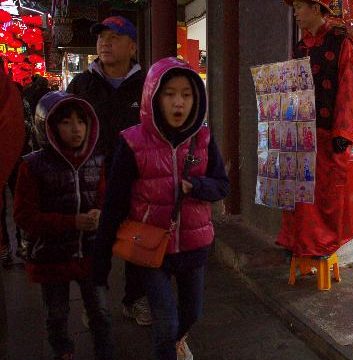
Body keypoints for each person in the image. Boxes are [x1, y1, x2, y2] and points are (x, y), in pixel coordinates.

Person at [93, 57, 229, 360]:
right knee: (165, 325)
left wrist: (197, 187)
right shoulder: (132, 143)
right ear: (153, 96)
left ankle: (179, 341)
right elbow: (114, 204)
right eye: (169, 94)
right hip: (152, 250)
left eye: (186, 94)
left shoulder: (204, 139)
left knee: (192, 314)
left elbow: (222, 185)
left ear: (197, 98)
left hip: (195, 247)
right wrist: (100, 263)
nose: (178, 103)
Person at [13, 92, 113, 360]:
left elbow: (105, 198)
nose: (76, 128)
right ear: (50, 126)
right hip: (51, 256)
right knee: (57, 315)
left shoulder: (97, 159)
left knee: (101, 313)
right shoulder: (32, 166)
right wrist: (72, 222)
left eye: (81, 121)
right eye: (66, 122)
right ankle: (63, 352)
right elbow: (24, 216)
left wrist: (101, 214)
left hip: (91, 253)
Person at [66, 15, 151, 326]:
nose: (105, 42)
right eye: (102, 37)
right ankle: (95, 305)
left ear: (132, 46)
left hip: (136, 177)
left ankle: (135, 300)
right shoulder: (82, 84)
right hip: (92, 178)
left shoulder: (147, 85)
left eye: (114, 36)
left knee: (138, 242)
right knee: (94, 245)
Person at [278, 0, 353, 258]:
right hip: (301, 135)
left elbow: (348, 89)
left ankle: (321, 246)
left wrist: (343, 133)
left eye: (299, 7)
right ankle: (297, 242)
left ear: (316, 8)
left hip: (327, 136)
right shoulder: (300, 47)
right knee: (298, 193)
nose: (296, 14)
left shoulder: (340, 43)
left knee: (324, 196)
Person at [0, 61, 26, 267]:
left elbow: (12, 130)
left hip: (13, 155)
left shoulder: (7, 89)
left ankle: (15, 244)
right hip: (15, 155)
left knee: (19, 198)